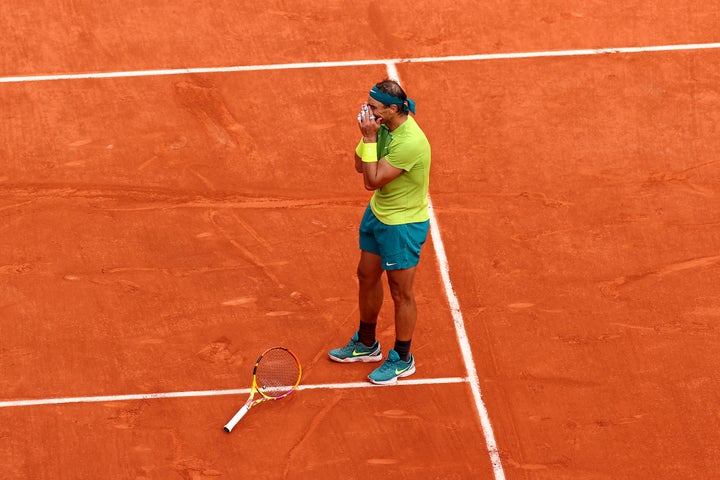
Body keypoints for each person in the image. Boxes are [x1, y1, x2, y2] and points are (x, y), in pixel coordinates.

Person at [328, 78, 432, 385]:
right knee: (366, 274)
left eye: (373, 107)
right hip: (378, 214)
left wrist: (370, 138)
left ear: (390, 109)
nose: (367, 111)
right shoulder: (381, 128)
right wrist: (368, 135)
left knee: (401, 293)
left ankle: (402, 357)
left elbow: (371, 180)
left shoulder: (410, 141)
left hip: (402, 225)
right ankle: (367, 344)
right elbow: (360, 165)